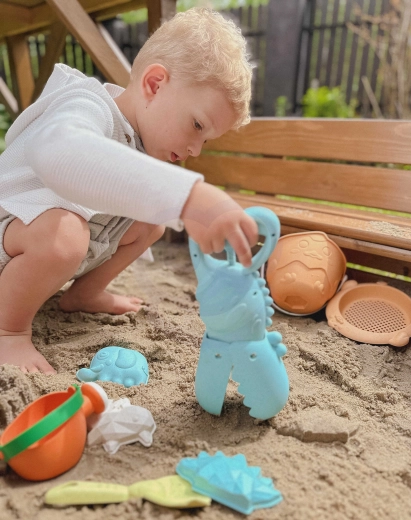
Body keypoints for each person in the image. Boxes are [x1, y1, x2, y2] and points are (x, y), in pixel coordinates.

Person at [0, 7, 258, 374]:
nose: (195, 150)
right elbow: (58, 152)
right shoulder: (86, 105)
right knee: (66, 235)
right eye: (197, 125)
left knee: (151, 222)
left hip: (33, 251)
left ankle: (84, 294)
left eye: (206, 139)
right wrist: (190, 196)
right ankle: (8, 331)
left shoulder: (139, 141)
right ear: (154, 84)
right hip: (7, 235)